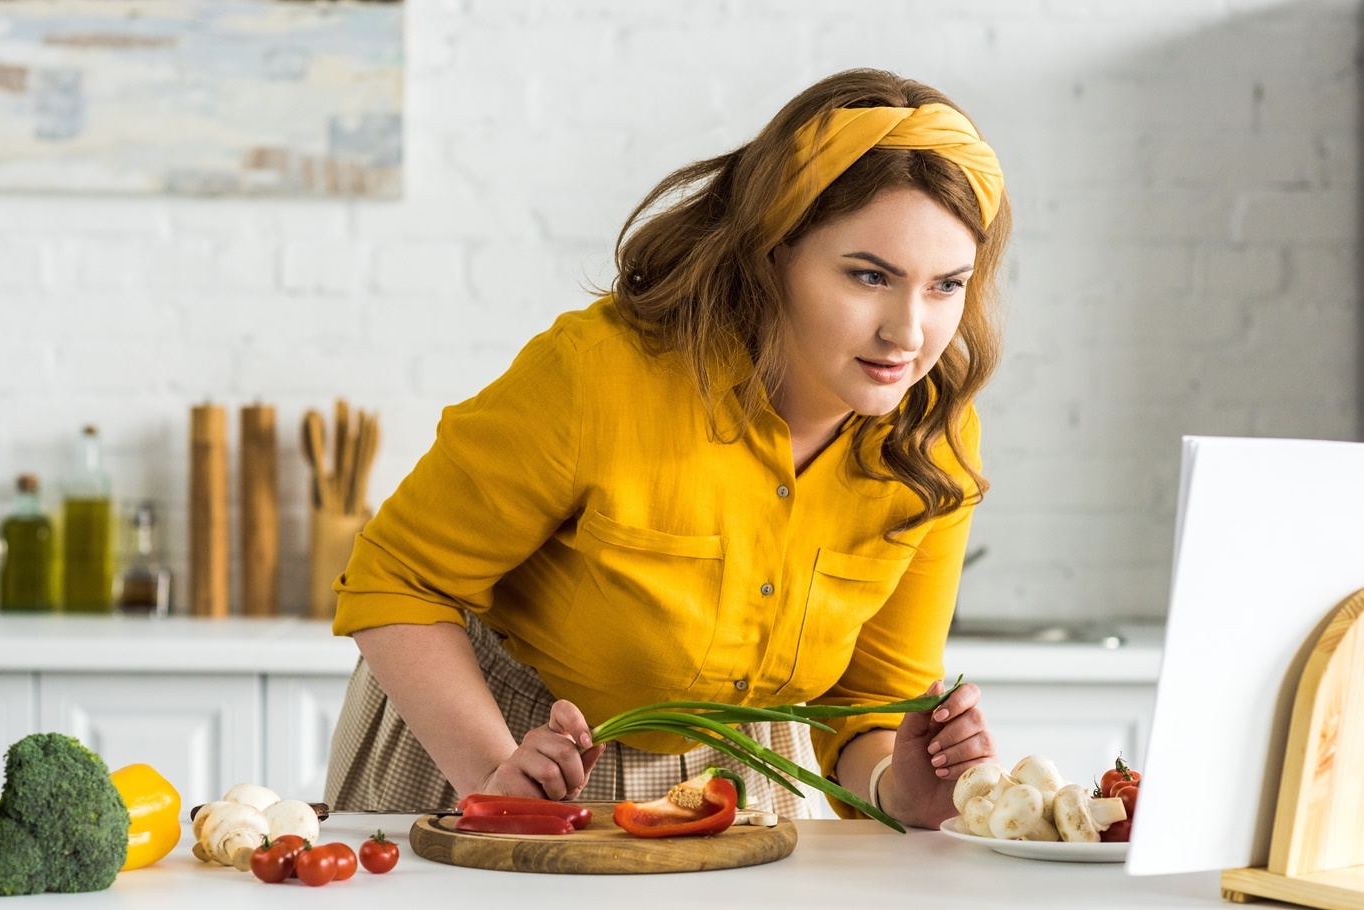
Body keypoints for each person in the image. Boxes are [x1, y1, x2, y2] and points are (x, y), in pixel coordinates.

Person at [325, 67, 1010, 829]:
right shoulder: (599, 375)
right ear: (773, 251)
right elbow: (395, 579)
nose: (908, 333)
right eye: (868, 276)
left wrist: (899, 788)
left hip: (739, 783)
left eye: (946, 286)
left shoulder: (933, 440)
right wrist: (492, 774)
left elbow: (867, 703)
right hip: (490, 742)